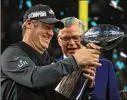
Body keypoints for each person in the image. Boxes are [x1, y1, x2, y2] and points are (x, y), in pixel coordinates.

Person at [1, 4, 102, 100]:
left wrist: (85, 82)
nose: (51, 33)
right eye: (47, 27)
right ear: (29, 24)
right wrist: (75, 60)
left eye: (53, 29)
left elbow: (63, 98)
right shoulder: (12, 54)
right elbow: (34, 78)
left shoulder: (50, 63)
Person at [57, 17, 120, 100]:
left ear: (85, 38)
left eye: (76, 38)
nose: (71, 43)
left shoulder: (105, 67)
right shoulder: (51, 69)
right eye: (66, 38)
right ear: (59, 41)